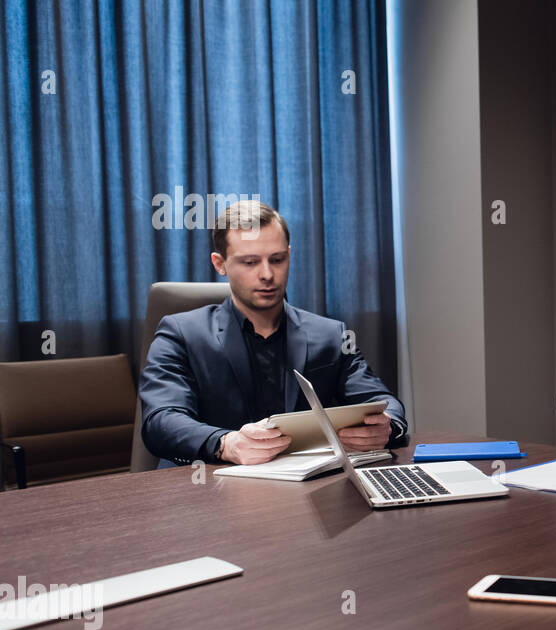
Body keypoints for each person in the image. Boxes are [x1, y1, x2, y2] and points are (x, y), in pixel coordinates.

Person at [140, 200, 407, 467]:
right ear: (219, 263)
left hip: (308, 488)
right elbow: (161, 420)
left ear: (289, 255)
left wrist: (388, 427)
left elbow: (383, 403)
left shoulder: (331, 334)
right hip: (212, 489)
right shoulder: (180, 334)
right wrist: (225, 444)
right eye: (250, 262)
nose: (267, 274)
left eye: (277, 260)